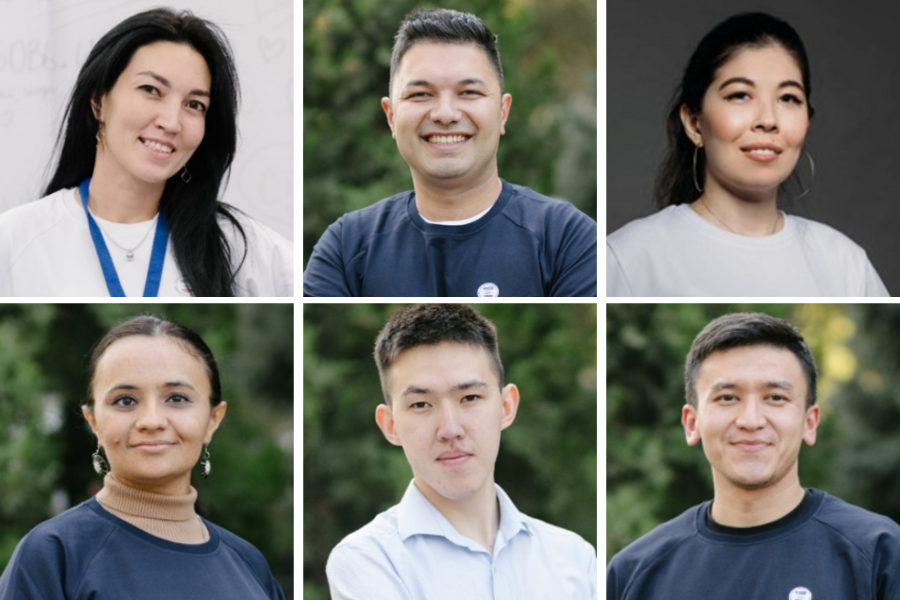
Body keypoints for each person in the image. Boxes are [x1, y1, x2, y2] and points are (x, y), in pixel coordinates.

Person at [303, 8, 597, 297]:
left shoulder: (565, 238)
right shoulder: (347, 246)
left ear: (503, 112)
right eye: (420, 94)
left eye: (469, 92)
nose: (445, 114)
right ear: (391, 116)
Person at [0, 8, 293, 297]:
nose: (171, 122)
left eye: (194, 105)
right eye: (151, 89)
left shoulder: (244, 249)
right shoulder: (17, 239)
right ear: (99, 102)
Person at [607, 312, 900, 599]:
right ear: (692, 423)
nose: (751, 420)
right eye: (727, 398)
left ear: (809, 423)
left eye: (775, 398)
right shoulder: (634, 573)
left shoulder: (879, 554)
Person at [0, 316, 286, 599]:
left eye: (177, 398)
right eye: (125, 400)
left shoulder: (249, 564)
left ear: (213, 419)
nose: (151, 421)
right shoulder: (53, 555)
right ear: (94, 422)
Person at [606, 13, 888, 297]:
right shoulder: (629, 259)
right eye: (740, 95)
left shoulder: (845, 265)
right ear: (694, 122)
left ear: (807, 121)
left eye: (788, 98)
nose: (768, 119)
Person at [325, 304, 597, 598]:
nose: (450, 429)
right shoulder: (368, 560)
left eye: (469, 397)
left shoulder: (574, 558)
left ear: (506, 407)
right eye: (421, 404)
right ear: (390, 425)